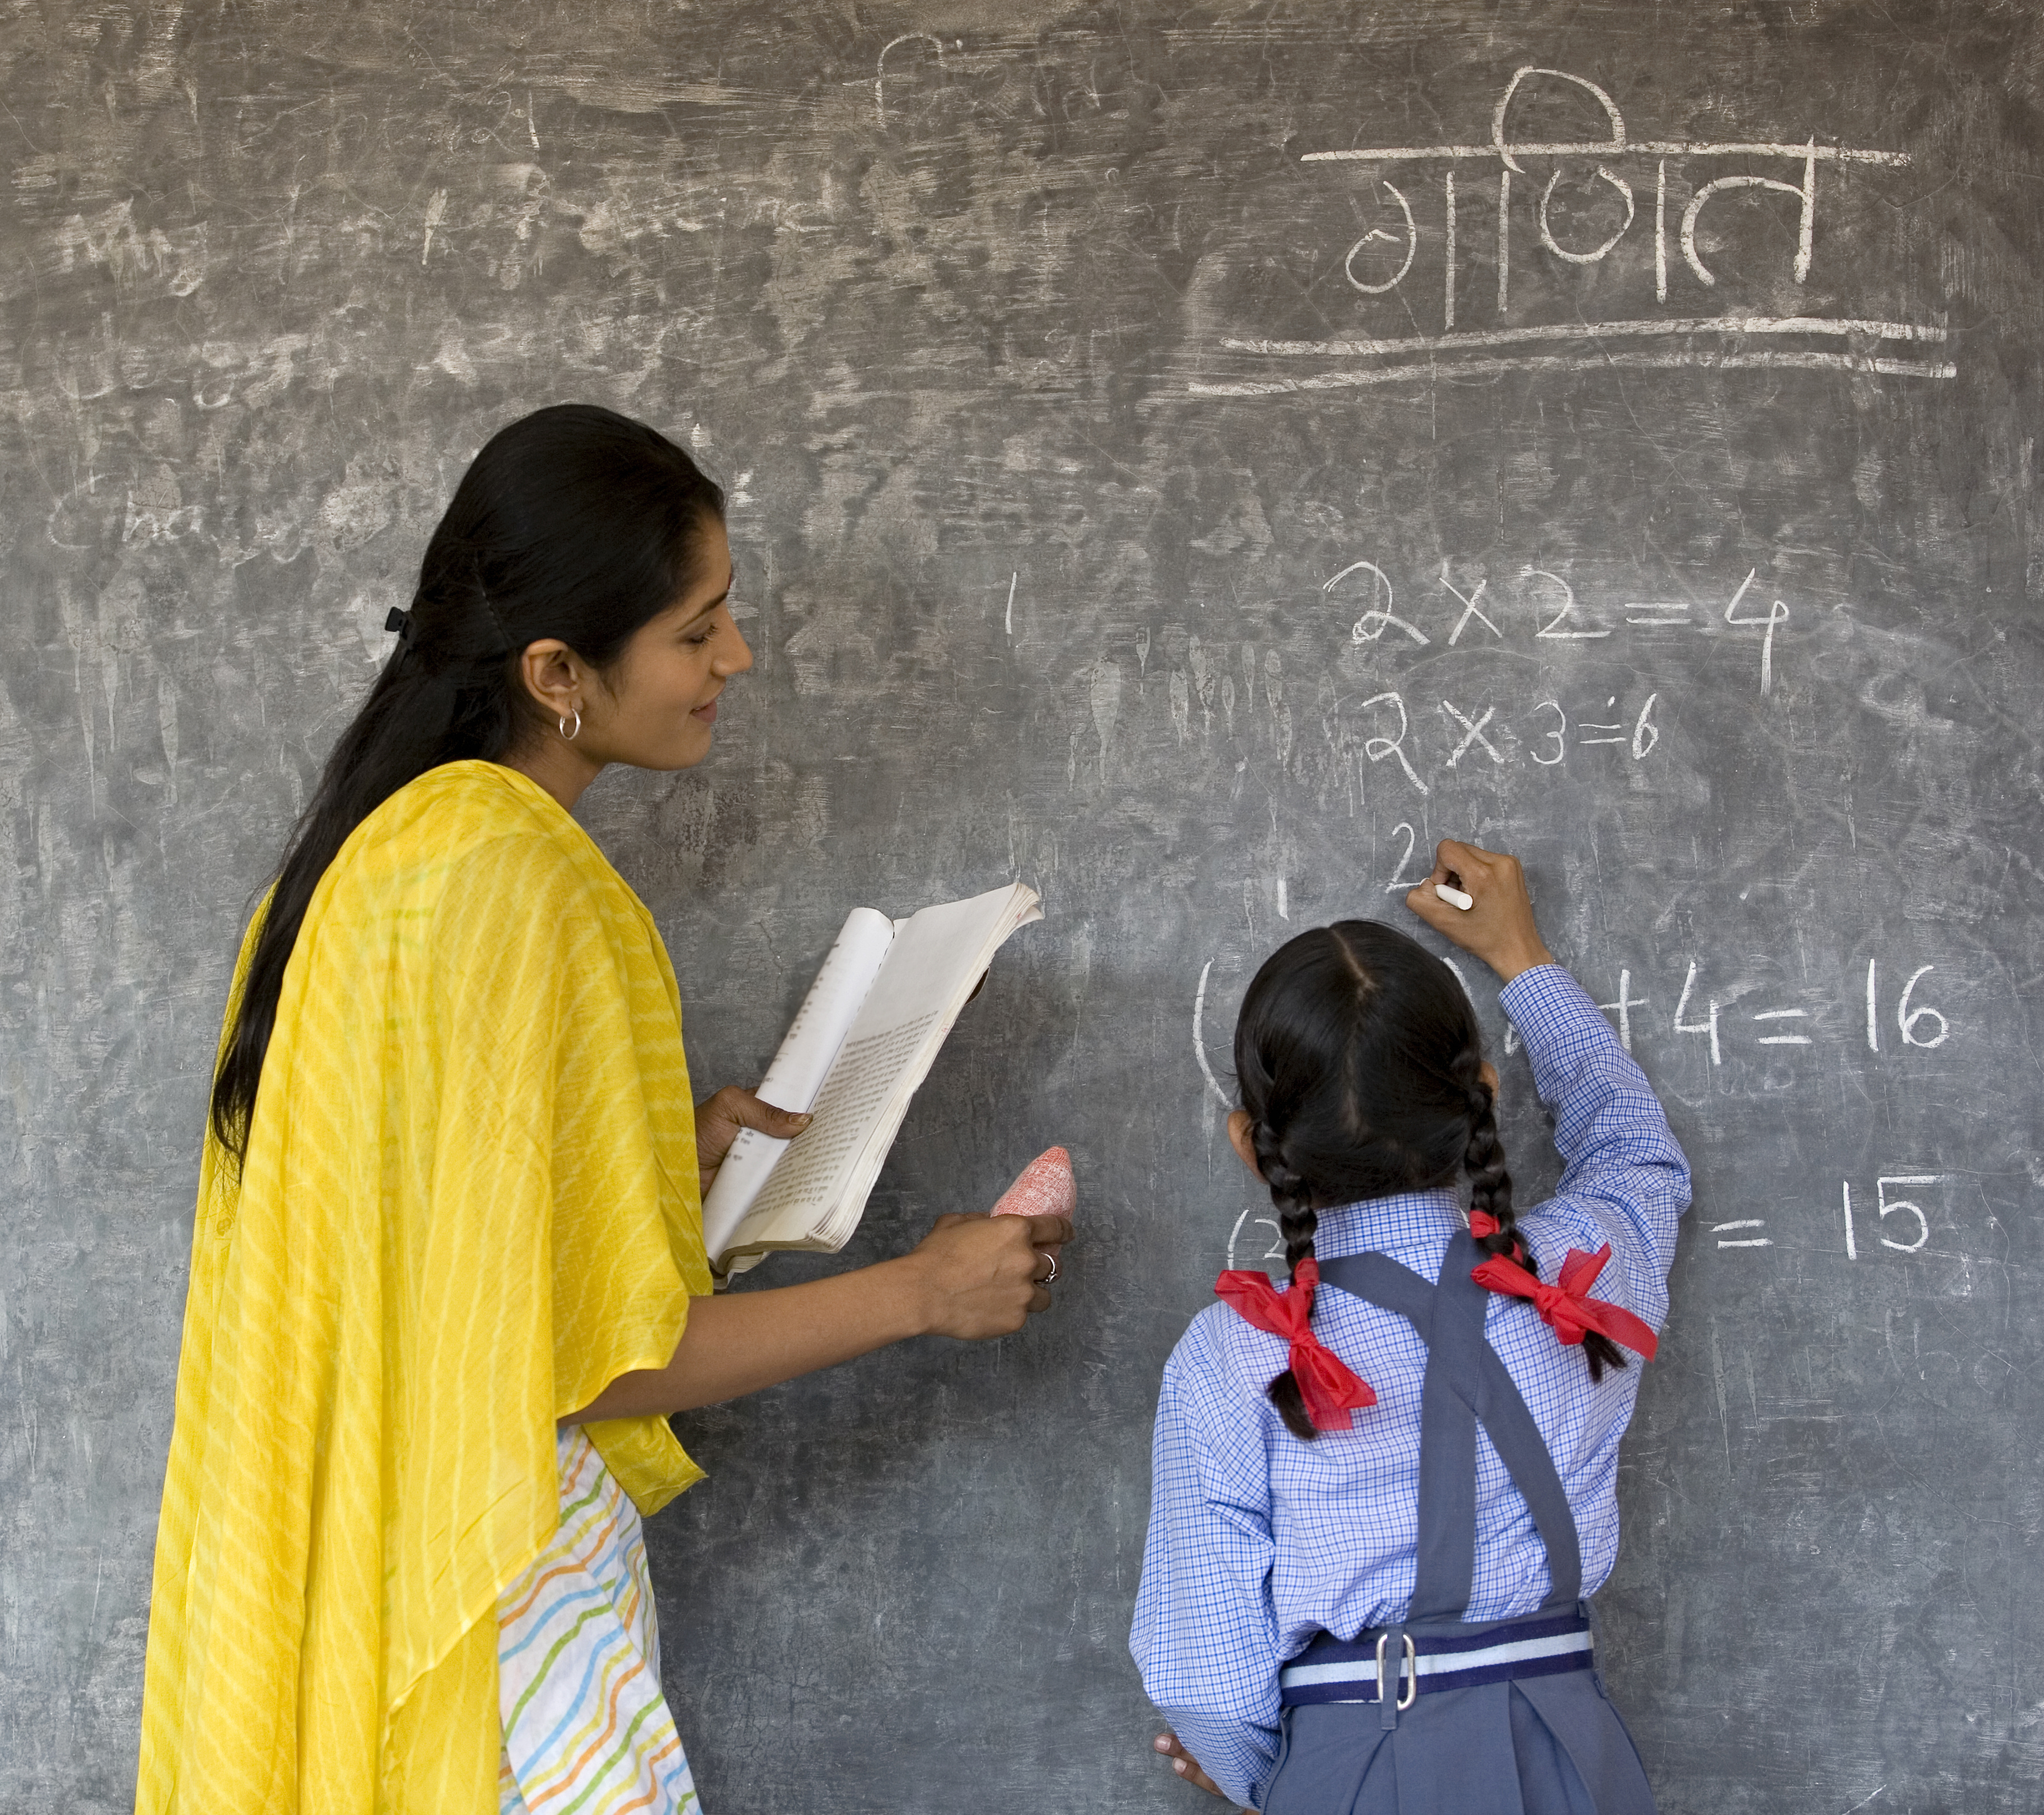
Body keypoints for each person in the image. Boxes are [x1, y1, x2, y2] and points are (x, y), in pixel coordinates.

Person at [132, 404, 1071, 1815]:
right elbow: (589, 1364)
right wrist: (921, 1291)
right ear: (559, 670)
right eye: (698, 633)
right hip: (490, 1587)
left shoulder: (360, 867)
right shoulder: (534, 884)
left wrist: (640, 1159)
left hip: (357, 1562)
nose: (734, 661)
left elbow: (408, 1244)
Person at [1132, 840, 1687, 1814]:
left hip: (1354, 1760)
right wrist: (1525, 960)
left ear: (1250, 1150)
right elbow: (1638, 1154)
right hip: (1575, 1757)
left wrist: (1299, 1784)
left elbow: (1207, 1688)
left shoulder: (1236, 1352)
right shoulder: (1584, 1272)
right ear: (1485, 1095)